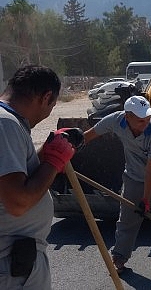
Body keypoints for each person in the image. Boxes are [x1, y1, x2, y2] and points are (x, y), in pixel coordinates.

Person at [82, 95, 151, 280]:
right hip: (133, 174)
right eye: (141, 120)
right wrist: (68, 149)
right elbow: (91, 134)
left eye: (148, 117)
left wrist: (146, 201)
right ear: (127, 116)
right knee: (127, 218)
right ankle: (119, 258)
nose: (146, 122)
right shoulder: (116, 120)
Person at [0, 65, 77, 290]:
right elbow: (18, 202)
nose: (49, 112)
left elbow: (14, 177)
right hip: (11, 268)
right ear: (46, 97)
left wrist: (46, 153)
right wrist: (54, 161)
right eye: (52, 106)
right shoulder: (6, 124)